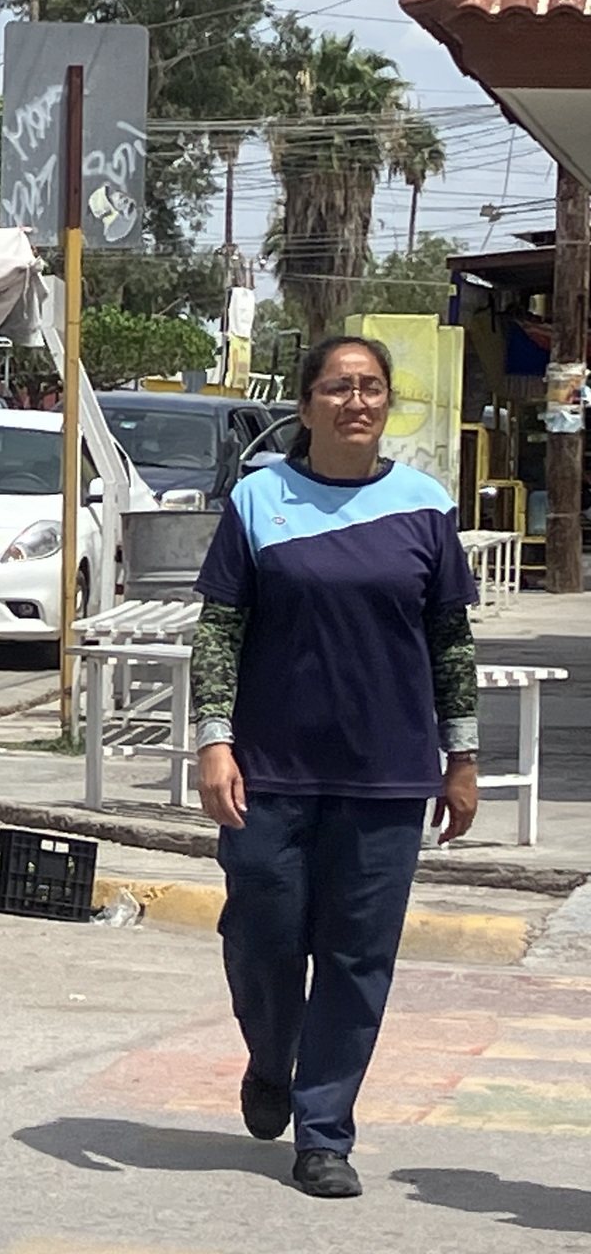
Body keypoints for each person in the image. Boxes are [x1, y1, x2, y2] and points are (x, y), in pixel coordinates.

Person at [190, 334, 479, 1200]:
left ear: (389, 403)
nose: (356, 402)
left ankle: (325, 1131)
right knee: (263, 938)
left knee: (357, 959)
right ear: (307, 402)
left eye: (372, 388)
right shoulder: (259, 497)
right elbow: (220, 628)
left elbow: (449, 643)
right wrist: (213, 740)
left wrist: (460, 757)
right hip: (268, 771)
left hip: (387, 774)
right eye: (337, 387)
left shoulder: (425, 505)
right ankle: (271, 1061)